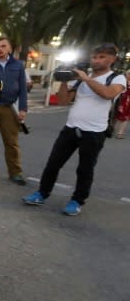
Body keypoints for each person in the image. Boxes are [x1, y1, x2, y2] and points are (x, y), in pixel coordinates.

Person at [23, 43, 126, 216]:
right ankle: (41, 193)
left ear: (112, 59)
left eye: (102, 57)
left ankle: (77, 201)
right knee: (53, 163)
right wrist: (64, 82)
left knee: (85, 169)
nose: (96, 60)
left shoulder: (116, 78)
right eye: (95, 57)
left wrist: (86, 79)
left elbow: (108, 94)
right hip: (71, 128)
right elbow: (63, 101)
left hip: (94, 132)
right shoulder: (80, 79)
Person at [0, 37, 28, 185]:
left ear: (9, 48)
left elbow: (22, 89)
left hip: (9, 108)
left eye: (3, 46)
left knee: (11, 142)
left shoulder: (18, 65)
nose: (0, 49)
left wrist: (23, 108)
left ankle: (15, 173)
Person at [113, 70, 130, 139]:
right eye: (129, 74)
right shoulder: (123, 81)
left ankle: (120, 132)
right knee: (117, 117)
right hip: (121, 101)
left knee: (126, 118)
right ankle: (113, 129)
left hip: (128, 103)